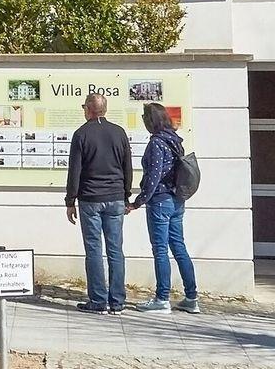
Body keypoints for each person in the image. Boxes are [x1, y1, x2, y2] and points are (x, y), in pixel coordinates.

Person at [64, 92, 131, 313]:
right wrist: (126, 194)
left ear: (89, 109)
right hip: (115, 197)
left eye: (84, 107)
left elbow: (75, 170)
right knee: (115, 249)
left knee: (94, 249)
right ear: (105, 109)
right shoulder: (119, 132)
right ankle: (117, 301)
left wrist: (70, 200)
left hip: (90, 198)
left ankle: (98, 300)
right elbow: (127, 167)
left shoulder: (81, 134)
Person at [130, 100, 199, 313]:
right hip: (177, 200)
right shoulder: (175, 140)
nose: (143, 121)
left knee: (160, 250)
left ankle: (162, 299)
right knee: (179, 246)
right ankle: (191, 297)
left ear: (151, 121)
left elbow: (154, 176)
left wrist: (138, 201)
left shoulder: (157, 143)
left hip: (160, 201)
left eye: (144, 118)